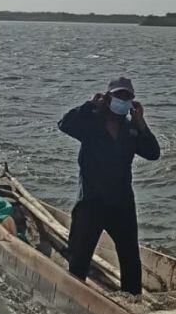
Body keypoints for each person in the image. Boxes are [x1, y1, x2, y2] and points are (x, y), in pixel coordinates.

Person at [57, 77, 160, 295]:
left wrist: (141, 123)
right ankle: (74, 298)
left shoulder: (131, 130)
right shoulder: (91, 122)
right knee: (79, 257)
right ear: (108, 98)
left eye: (127, 97)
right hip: (91, 201)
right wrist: (89, 105)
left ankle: (132, 302)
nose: (122, 100)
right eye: (118, 96)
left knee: (130, 259)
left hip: (121, 202)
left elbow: (153, 153)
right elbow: (65, 124)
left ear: (132, 102)